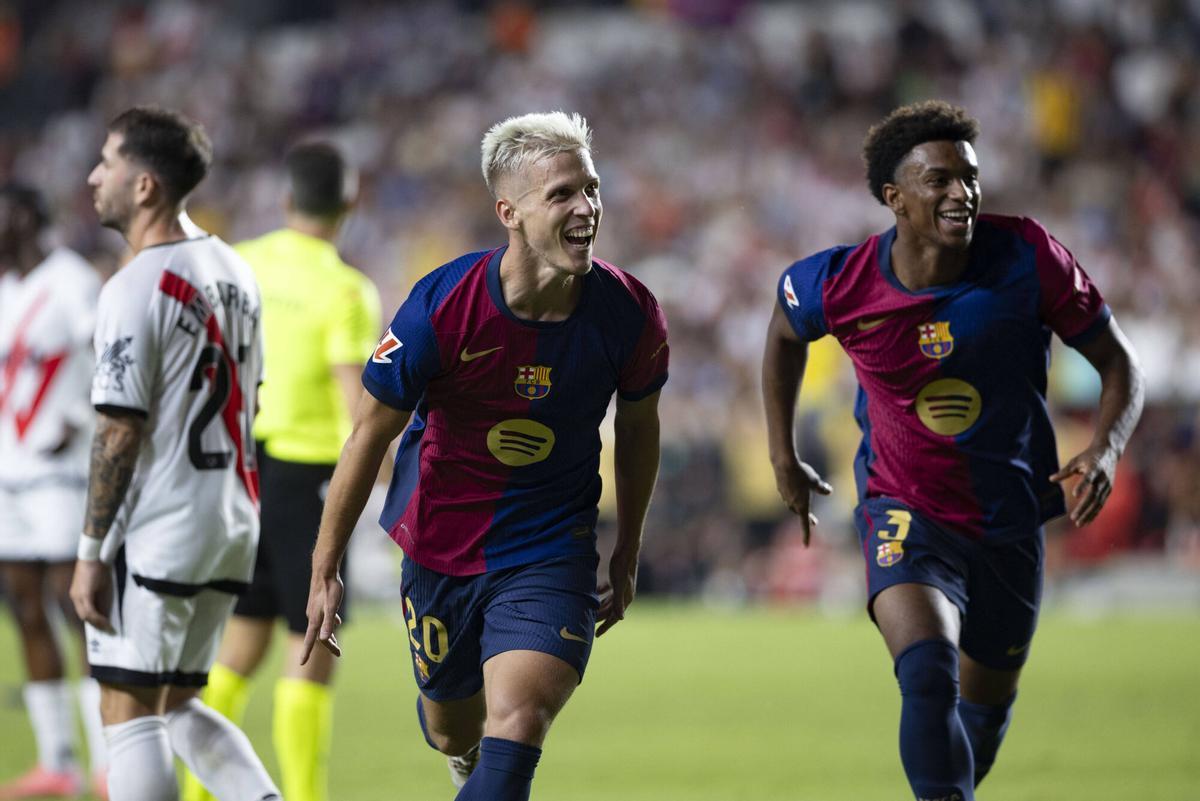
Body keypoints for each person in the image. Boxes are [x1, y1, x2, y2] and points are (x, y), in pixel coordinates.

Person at [762, 100, 1144, 801]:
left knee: (983, 717)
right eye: (938, 180)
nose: (960, 192)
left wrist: (1108, 448)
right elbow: (785, 331)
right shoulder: (841, 282)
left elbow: (1120, 363)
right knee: (927, 672)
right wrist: (782, 454)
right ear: (894, 198)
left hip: (1011, 517)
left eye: (968, 177)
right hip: (904, 510)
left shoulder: (1028, 256)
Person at [301, 110, 668, 800]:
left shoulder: (629, 311)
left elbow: (641, 423)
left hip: (551, 544)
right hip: (440, 542)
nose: (586, 207)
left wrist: (629, 547)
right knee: (452, 728)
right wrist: (325, 566)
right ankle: (461, 749)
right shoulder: (440, 306)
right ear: (510, 212)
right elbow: (368, 434)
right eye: (561, 194)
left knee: (521, 717)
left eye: (590, 189)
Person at [70, 105, 281, 801]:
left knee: (127, 712)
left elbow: (119, 430)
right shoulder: (234, 269)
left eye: (108, 160)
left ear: (144, 186)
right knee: (180, 703)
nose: (94, 174)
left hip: (163, 521)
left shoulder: (133, 287)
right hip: (231, 518)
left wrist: (91, 549)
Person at [183, 141, 381, 801]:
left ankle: (197, 790)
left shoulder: (240, 262)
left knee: (242, 634)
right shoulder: (346, 288)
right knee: (313, 635)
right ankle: (302, 795)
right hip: (307, 473)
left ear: (287, 199)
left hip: (239, 466)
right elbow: (356, 397)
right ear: (350, 203)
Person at [0, 184, 107, 800]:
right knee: (23, 607)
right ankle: (57, 764)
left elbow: (106, 354)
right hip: (10, 469)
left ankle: (106, 763)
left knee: (80, 609)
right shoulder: (6, 287)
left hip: (61, 472)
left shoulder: (70, 280)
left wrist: (75, 417)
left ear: (27, 216)